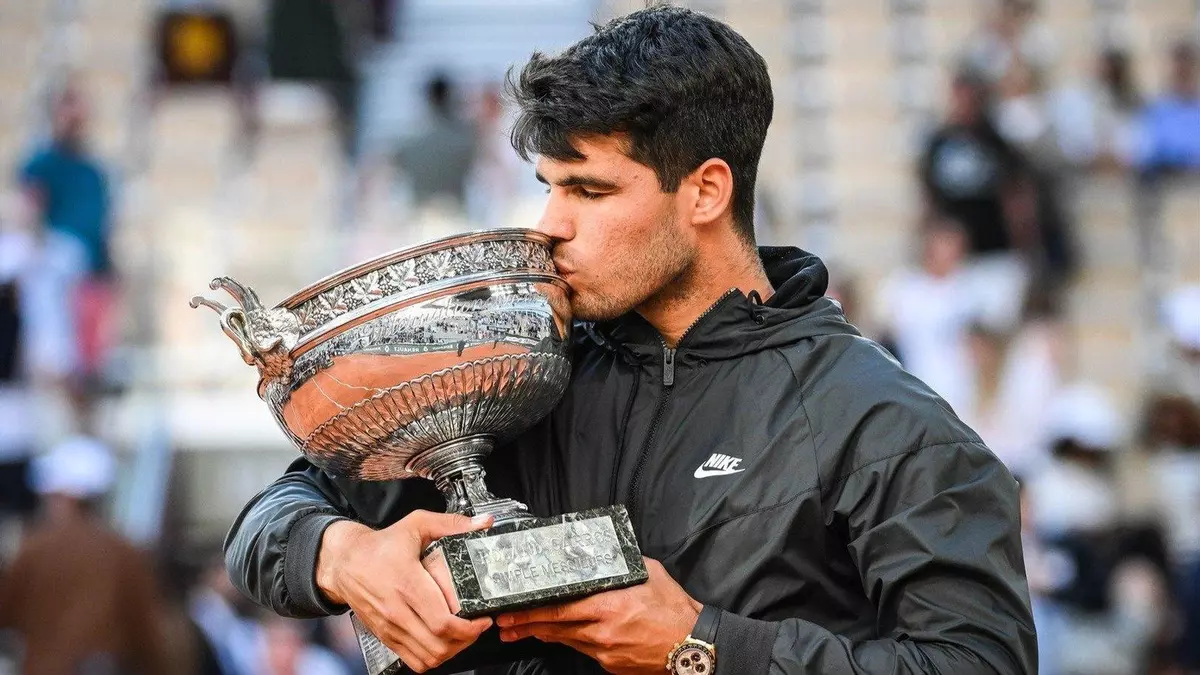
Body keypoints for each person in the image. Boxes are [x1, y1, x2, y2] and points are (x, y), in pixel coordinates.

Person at [225, 7, 1036, 675]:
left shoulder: (880, 419)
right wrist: (340, 553)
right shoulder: (517, 369)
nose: (550, 225)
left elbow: (979, 660)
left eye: (589, 190)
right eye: (549, 187)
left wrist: (704, 647)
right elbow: (271, 519)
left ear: (706, 192)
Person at [0, 436, 174, 675]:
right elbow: (147, 634)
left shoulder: (33, 550)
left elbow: (6, 613)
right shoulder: (124, 553)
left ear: (67, 497)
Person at [17, 81, 117, 393]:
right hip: (56, 257)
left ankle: (82, 376)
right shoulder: (41, 163)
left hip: (90, 267)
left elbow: (103, 225)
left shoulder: (94, 171)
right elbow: (29, 210)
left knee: (90, 353)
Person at [1134, 40, 1200, 174]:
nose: (1182, 75)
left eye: (1186, 71)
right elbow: (1148, 150)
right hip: (1168, 176)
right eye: (1179, 71)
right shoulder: (1157, 109)